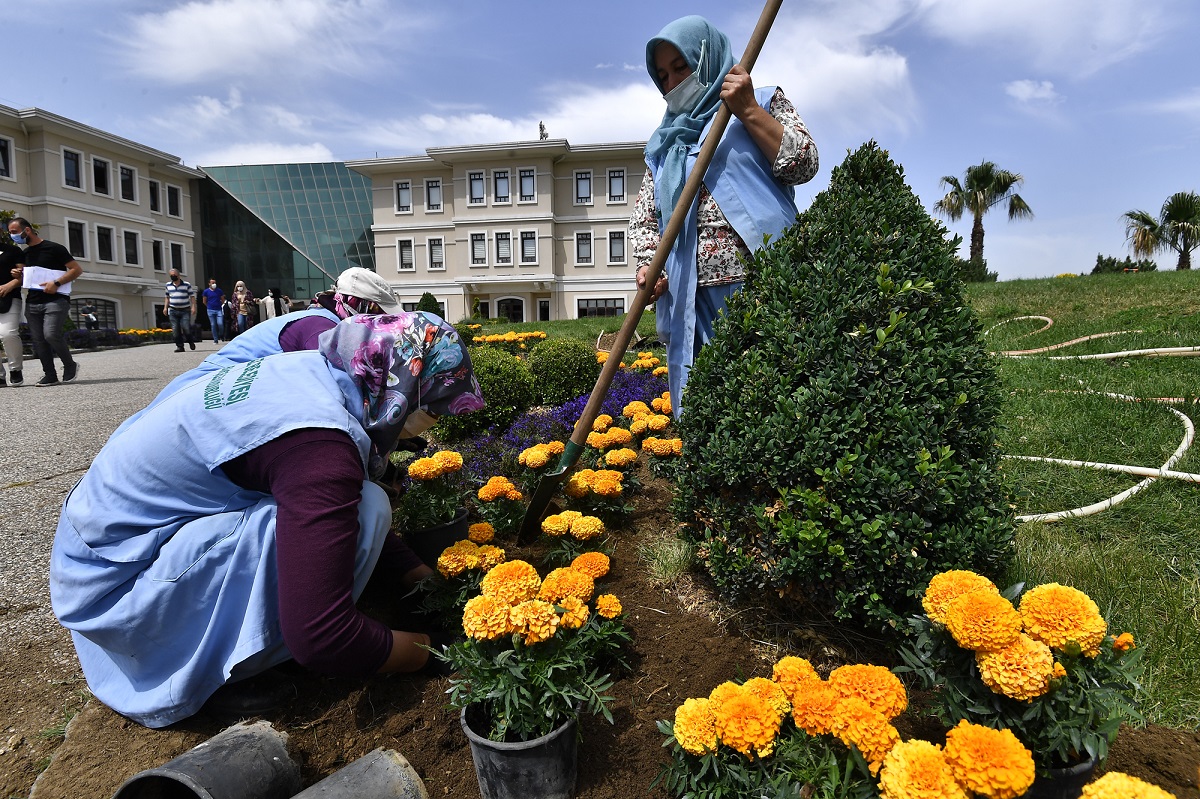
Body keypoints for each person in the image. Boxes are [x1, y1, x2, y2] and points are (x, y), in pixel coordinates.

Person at [50, 313, 486, 728]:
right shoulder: (320, 442)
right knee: (367, 507)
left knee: (357, 508)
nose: (434, 422)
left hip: (103, 549)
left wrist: (423, 581)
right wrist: (435, 652)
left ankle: (229, 639)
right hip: (117, 589)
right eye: (434, 407)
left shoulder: (316, 372)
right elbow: (323, 637)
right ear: (401, 387)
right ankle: (215, 672)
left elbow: (328, 505)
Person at [630, 16, 818, 417]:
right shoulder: (664, 145)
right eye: (662, 75)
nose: (673, 82)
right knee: (706, 400)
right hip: (690, 296)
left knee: (773, 392)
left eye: (682, 66)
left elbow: (803, 163)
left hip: (761, 281)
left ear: (707, 56)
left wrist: (747, 110)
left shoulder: (761, 101)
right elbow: (646, 219)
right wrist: (650, 266)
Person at [113, 266, 404, 436]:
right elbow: (341, 395)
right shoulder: (319, 328)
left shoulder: (321, 320)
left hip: (216, 396)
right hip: (201, 398)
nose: (382, 324)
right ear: (360, 305)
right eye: (380, 313)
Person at [8, 217, 83, 386]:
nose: (12, 236)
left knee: (51, 334)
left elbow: (76, 269)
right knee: (39, 340)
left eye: (14, 232)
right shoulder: (25, 254)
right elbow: (25, 277)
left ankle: (69, 365)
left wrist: (56, 283)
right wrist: (17, 274)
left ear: (26, 230)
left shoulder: (54, 248)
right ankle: (50, 375)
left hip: (56, 300)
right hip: (33, 302)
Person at [0, 240, 24, 387]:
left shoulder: (12, 251)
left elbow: (24, 274)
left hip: (9, 297)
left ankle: (15, 369)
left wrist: (10, 284)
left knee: (8, 334)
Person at [163, 268, 197, 352]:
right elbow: (167, 297)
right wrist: (165, 308)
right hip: (173, 310)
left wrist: (193, 307)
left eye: (174, 275)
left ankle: (190, 341)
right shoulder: (168, 285)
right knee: (175, 330)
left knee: (186, 328)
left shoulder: (186, 284)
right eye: (171, 275)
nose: (173, 277)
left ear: (178, 275)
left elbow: (192, 297)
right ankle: (180, 346)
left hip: (185, 310)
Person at [202, 278, 225, 344]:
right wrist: (208, 306)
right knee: (213, 324)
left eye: (214, 282)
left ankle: (221, 335)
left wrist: (220, 304)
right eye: (212, 283)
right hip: (210, 310)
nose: (214, 284)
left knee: (220, 323)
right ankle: (215, 339)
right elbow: (204, 301)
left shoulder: (219, 291)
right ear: (209, 284)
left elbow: (223, 299)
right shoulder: (206, 291)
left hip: (218, 310)